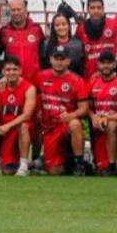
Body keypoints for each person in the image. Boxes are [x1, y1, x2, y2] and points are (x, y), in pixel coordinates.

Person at [35, 45, 89, 176]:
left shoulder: (77, 80)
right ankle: (45, 160)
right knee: (55, 172)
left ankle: (79, 164)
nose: (59, 62)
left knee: (75, 124)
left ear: (68, 61)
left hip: (65, 124)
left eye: (62, 59)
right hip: (49, 127)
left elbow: (84, 108)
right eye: (56, 58)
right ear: (50, 59)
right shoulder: (40, 76)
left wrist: (71, 115)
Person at [0, 57, 36, 176]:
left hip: (21, 128)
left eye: (14, 69)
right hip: (5, 128)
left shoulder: (29, 88)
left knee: (23, 126)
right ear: (3, 72)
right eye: (8, 70)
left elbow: (27, 115)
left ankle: (24, 166)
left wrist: (8, 126)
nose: (11, 72)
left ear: (20, 71)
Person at [86, 51, 117, 175]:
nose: (106, 66)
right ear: (98, 64)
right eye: (103, 63)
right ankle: (105, 164)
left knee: (111, 125)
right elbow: (86, 107)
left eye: (109, 63)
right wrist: (93, 116)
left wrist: (107, 118)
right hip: (99, 128)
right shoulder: (93, 82)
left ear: (115, 64)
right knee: (100, 168)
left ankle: (113, 166)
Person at [73, 0, 117, 80]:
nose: (96, 11)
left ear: (103, 9)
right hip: (89, 76)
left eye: (99, 8)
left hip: (110, 75)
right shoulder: (81, 28)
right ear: (87, 10)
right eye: (92, 8)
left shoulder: (113, 24)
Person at [0, 0, 44, 84]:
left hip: (34, 81)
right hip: (13, 82)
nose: (16, 13)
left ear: (25, 10)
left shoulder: (36, 29)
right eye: (13, 10)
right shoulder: (4, 31)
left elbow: (43, 55)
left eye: (19, 9)